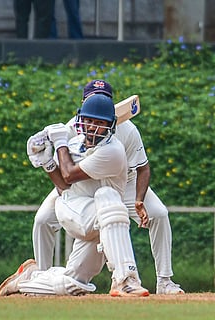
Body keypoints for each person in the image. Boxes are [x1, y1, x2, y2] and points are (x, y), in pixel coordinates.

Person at [32, 79, 184, 294]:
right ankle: (40, 275)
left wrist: (139, 199)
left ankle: (164, 281)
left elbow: (143, 167)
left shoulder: (128, 130)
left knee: (159, 213)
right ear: (84, 102)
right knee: (42, 220)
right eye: (92, 100)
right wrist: (47, 161)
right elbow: (65, 177)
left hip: (125, 182)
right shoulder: (70, 129)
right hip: (84, 182)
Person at [0, 94, 149, 297]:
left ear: (112, 125)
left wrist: (59, 143)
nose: (92, 127)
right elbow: (62, 187)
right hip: (72, 208)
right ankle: (126, 280)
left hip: (101, 221)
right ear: (80, 120)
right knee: (109, 199)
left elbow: (68, 175)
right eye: (88, 120)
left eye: (99, 122)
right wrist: (47, 163)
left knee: (73, 284)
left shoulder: (113, 151)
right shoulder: (71, 146)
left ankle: (29, 279)